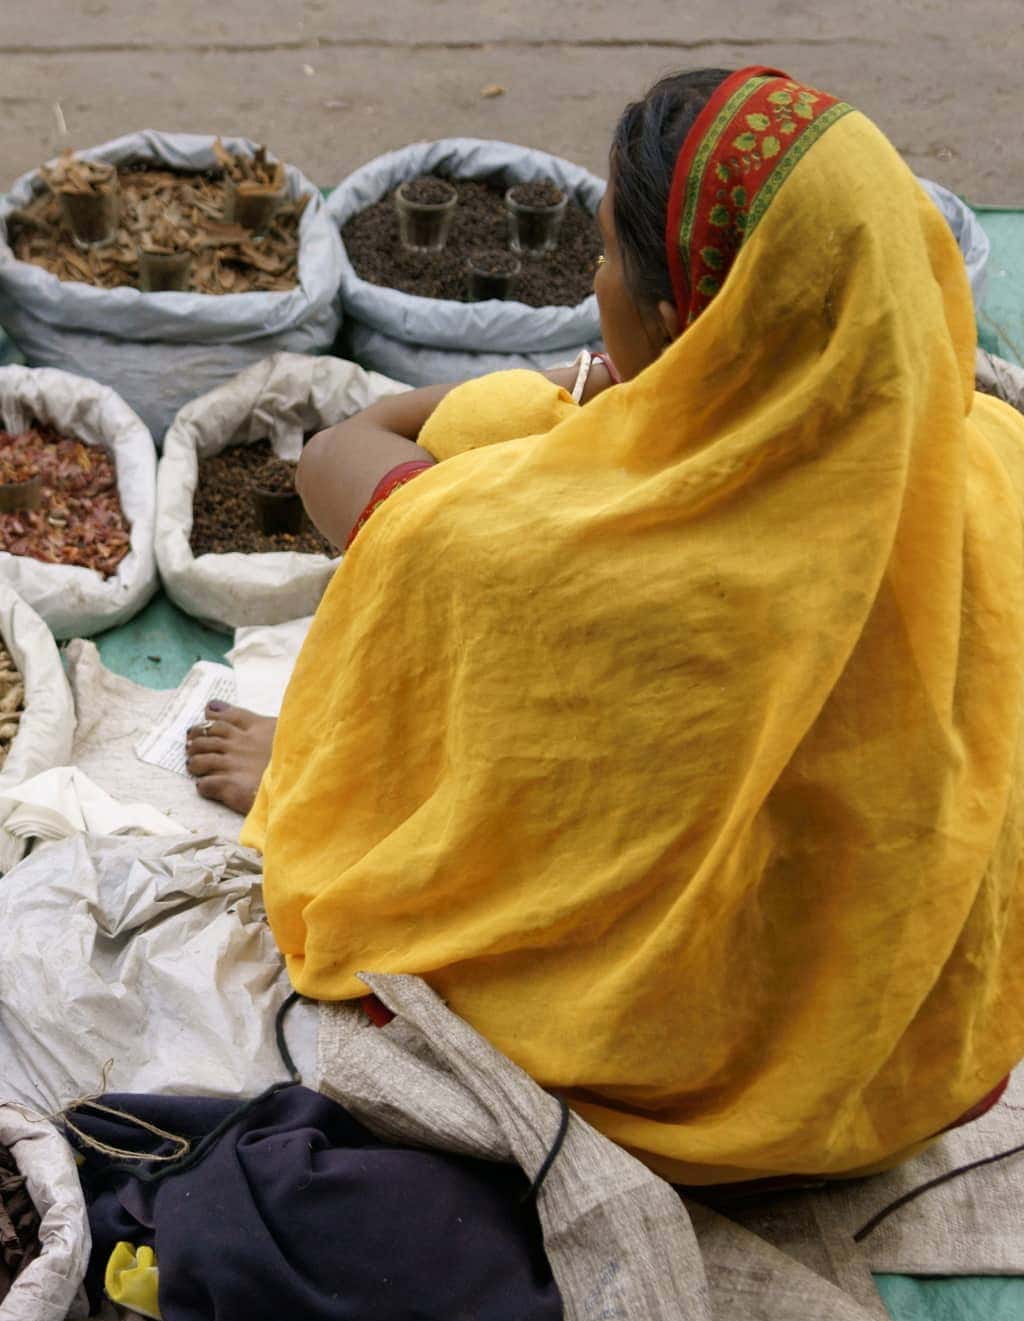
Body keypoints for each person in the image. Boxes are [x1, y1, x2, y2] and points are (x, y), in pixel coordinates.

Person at [189, 66, 1024, 1185]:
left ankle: (317, 776)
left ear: (682, 320)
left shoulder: (518, 555)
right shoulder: (997, 465)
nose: (595, 278)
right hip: (898, 1072)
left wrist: (578, 387)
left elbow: (341, 455)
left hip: (652, 1089)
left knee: (461, 521)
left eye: (610, 261)